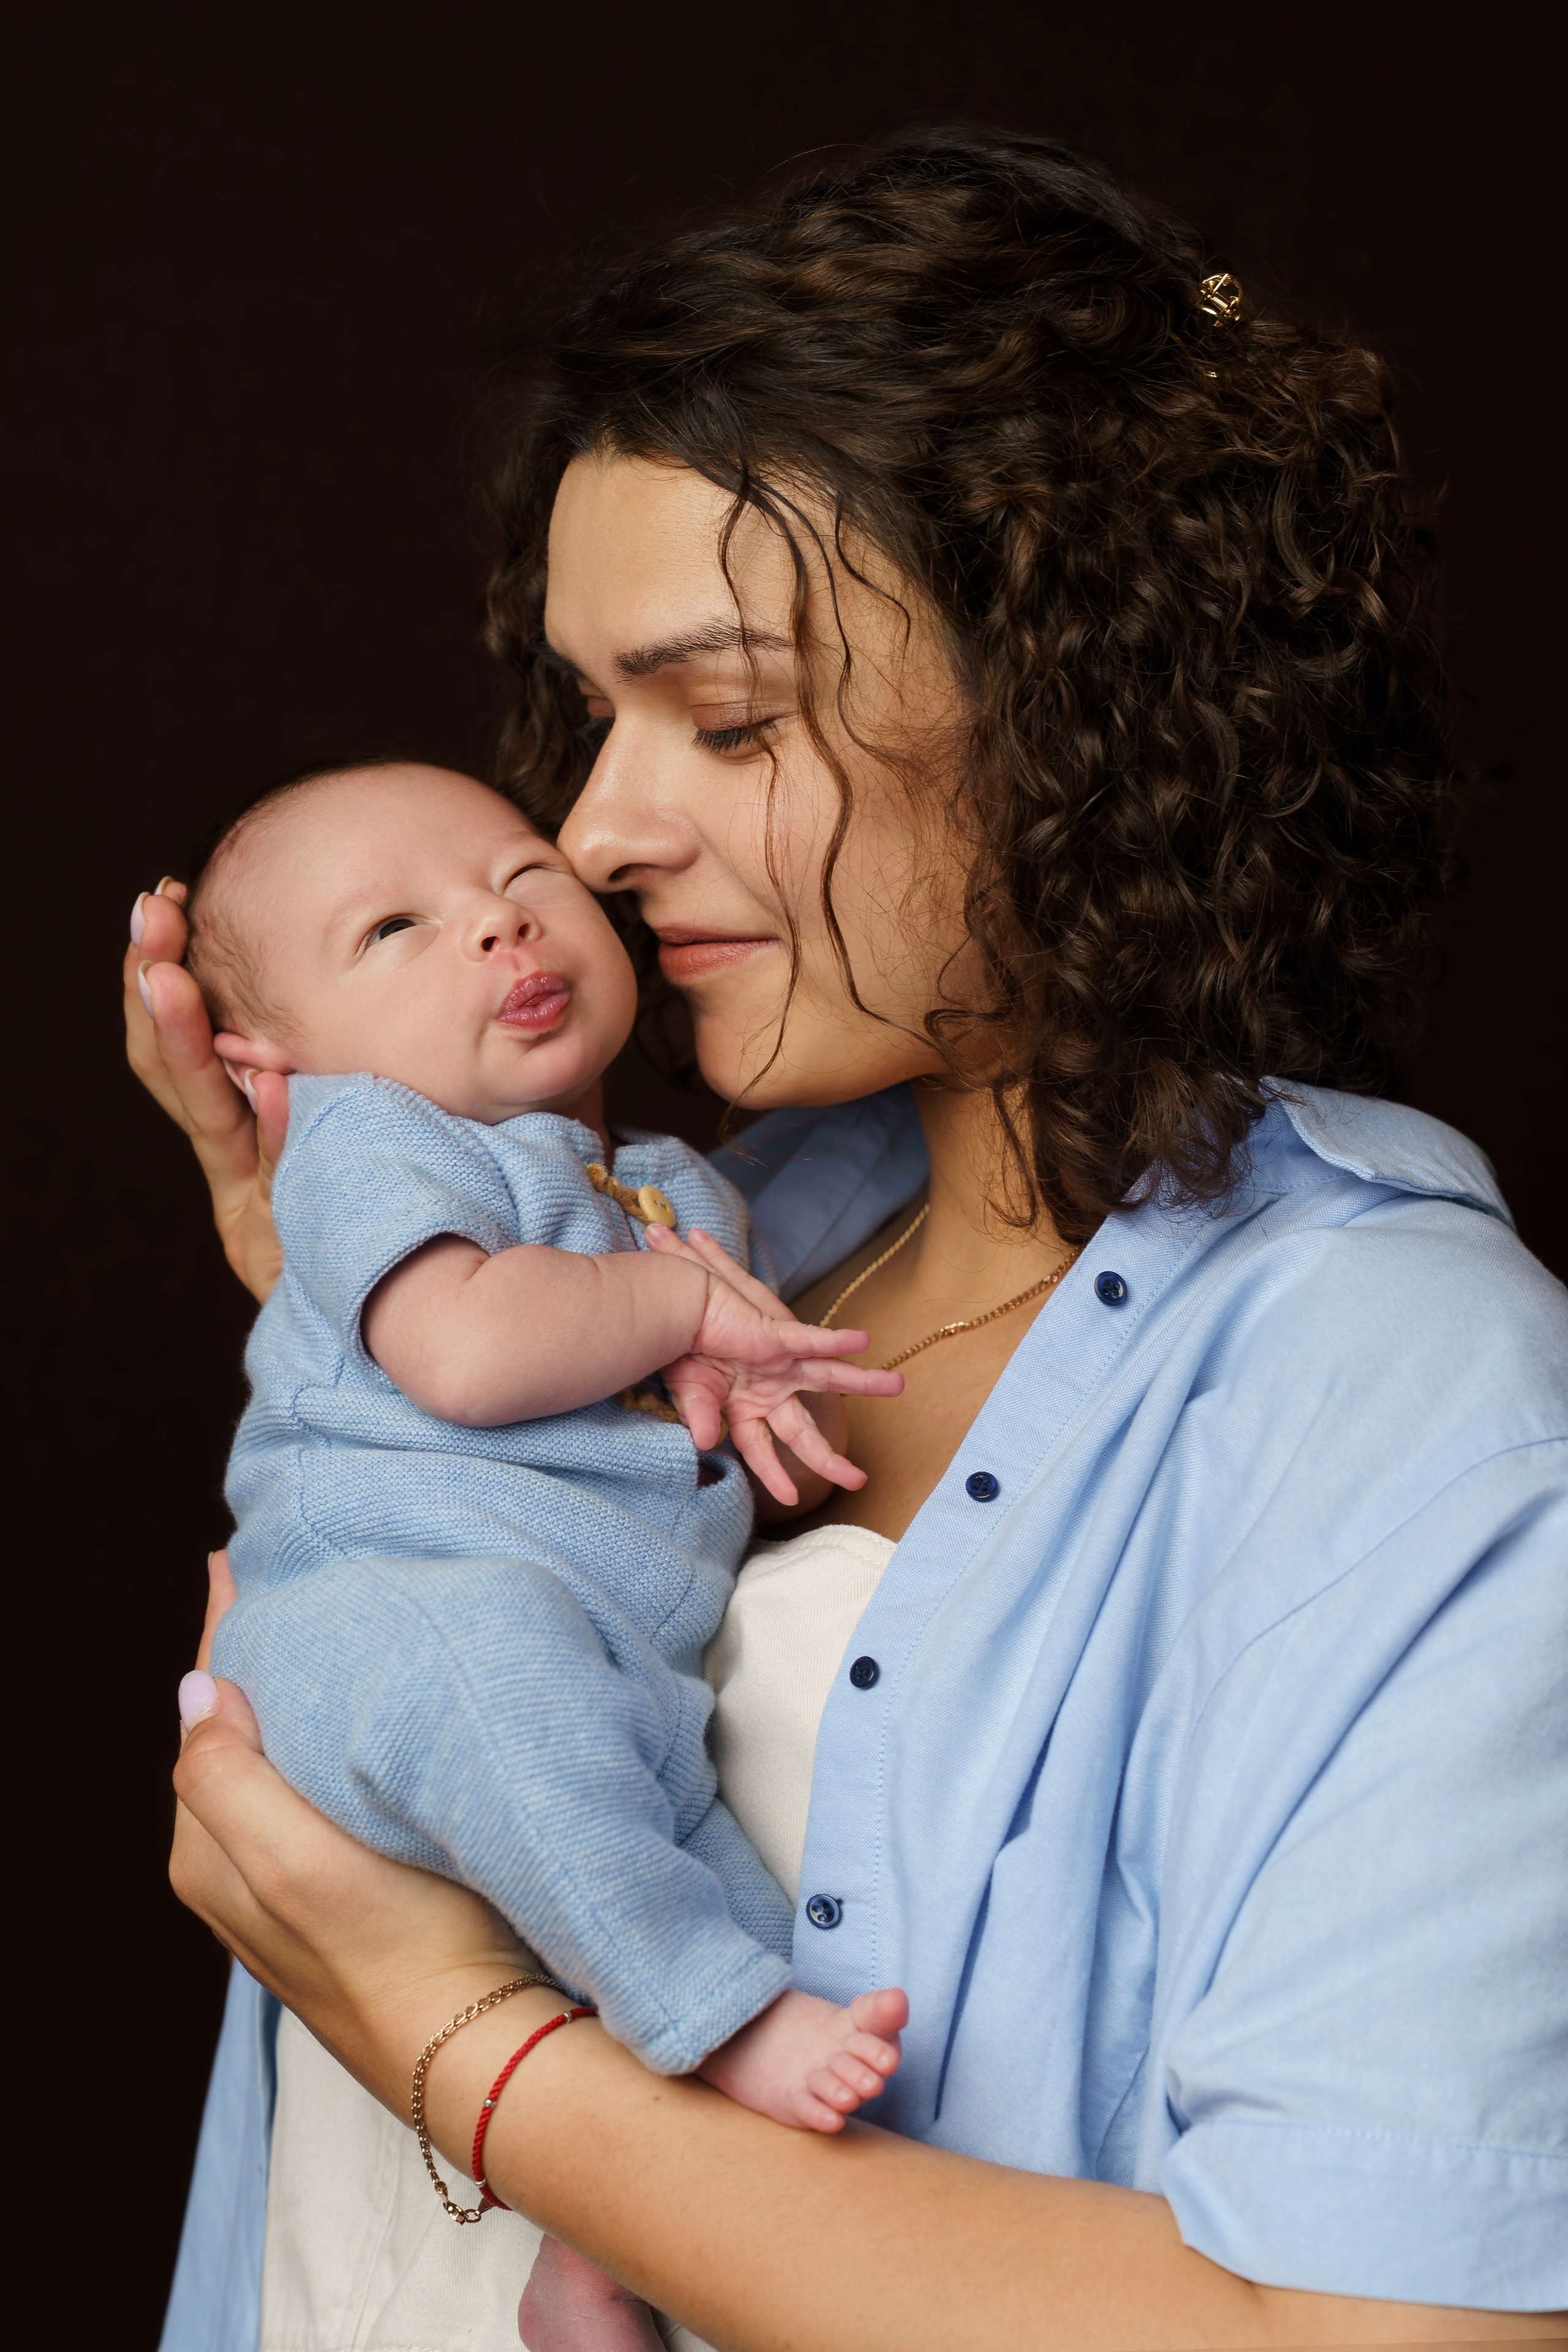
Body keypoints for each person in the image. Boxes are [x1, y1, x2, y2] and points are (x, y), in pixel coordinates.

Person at [131, 127, 1567, 2350]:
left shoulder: (1403, 1391)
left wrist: (470, 2045)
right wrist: (333, 1294)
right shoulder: (743, 1214)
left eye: (724, 717)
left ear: (1076, 695)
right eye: (594, 716)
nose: (595, 830)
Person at [179, 754, 912, 2346]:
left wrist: (745, 1383)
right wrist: (685, 1305)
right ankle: (715, 2033)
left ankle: (598, 2250)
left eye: (525, 881)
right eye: (394, 929)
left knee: (687, 1849)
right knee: (535, 1720)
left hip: (603, 1652)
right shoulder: (372, 1144)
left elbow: (697, 1394)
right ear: (269, 1064)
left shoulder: (669, 1185)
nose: (499, 930)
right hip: (385, 1621)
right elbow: (465, 1353)